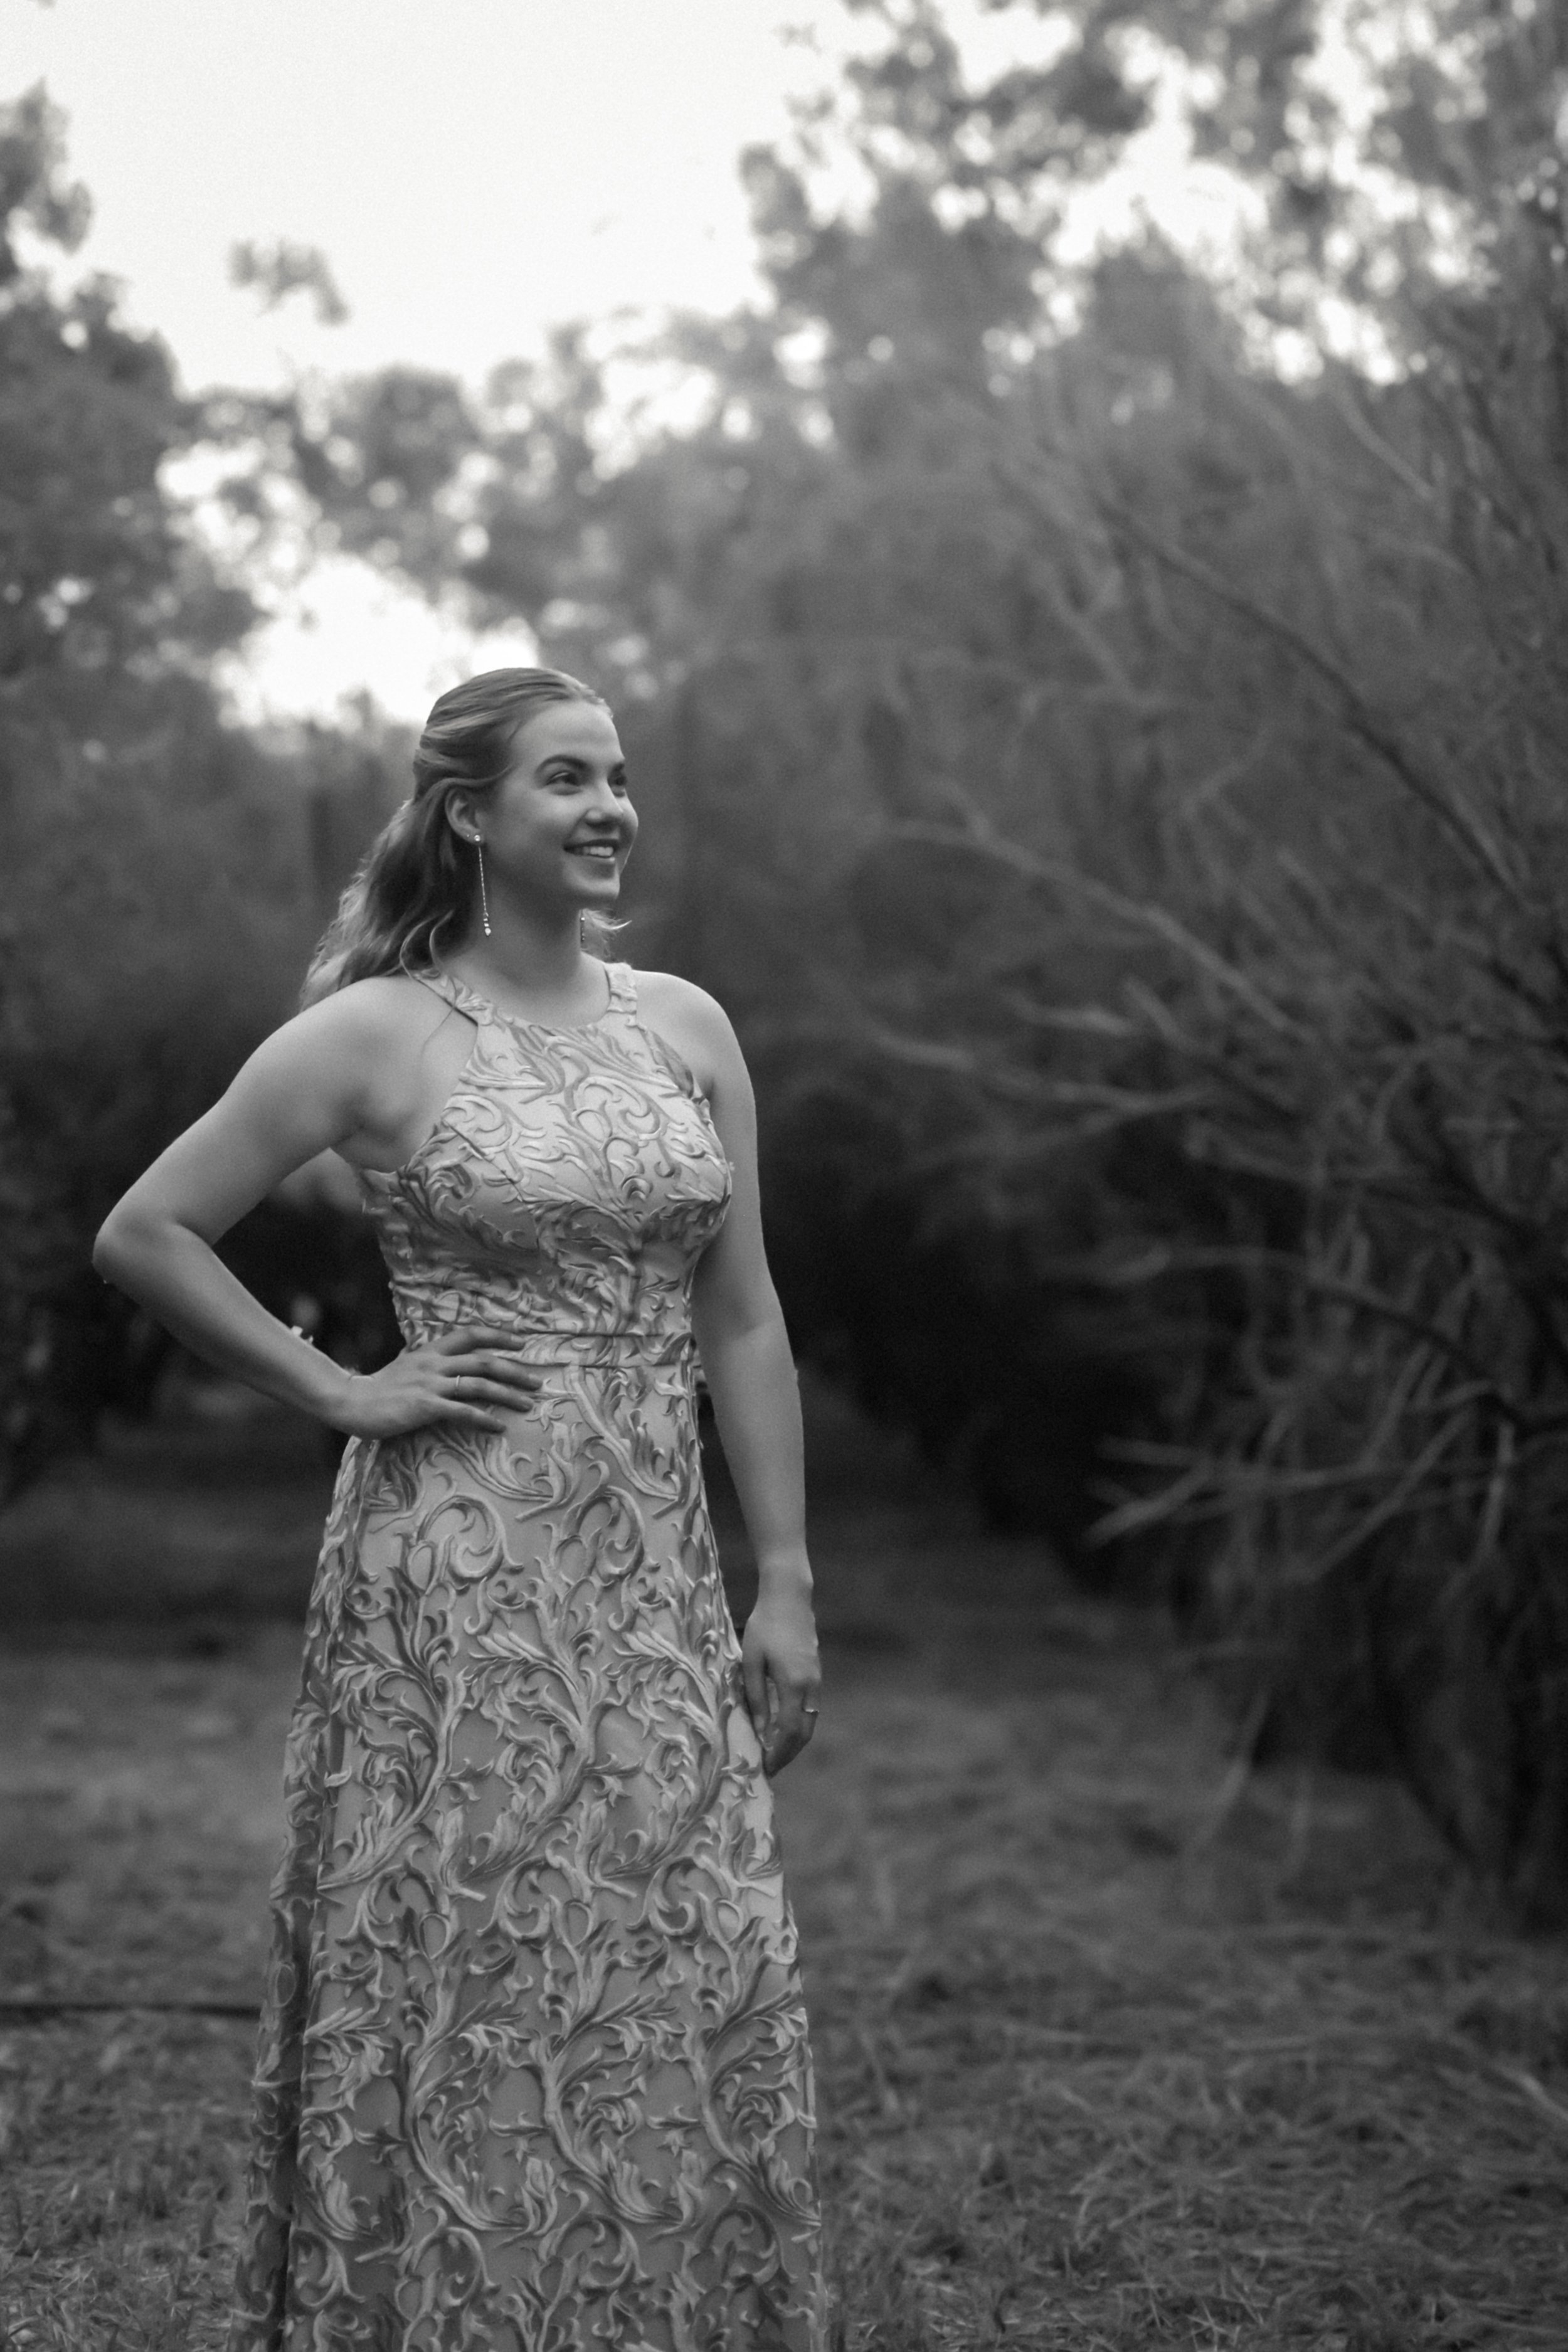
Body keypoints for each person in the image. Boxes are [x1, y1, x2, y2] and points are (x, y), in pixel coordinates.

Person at [93, 667, 827, 2350]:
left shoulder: (687, 1026)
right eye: (565, 777)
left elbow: (742, 1315)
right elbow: (147, 1228)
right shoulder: (378, 1032)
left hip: (650, 1567)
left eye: (620, 776)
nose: (609, 806)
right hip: (461, 1568)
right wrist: (341, 1387)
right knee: (481, 1965)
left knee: (678, 1948)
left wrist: (778, 1575)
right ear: (470, 815)